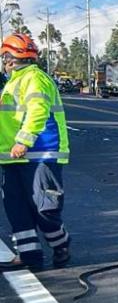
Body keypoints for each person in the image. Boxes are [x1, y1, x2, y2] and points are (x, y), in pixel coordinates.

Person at [0, 34, 71, 270]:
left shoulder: (35, 79)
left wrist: (23, 141)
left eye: (4, 57)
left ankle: (61, 244)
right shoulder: (12, 82)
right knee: (17, 209)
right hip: (12, 158)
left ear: (10, 57)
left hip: (40, 153)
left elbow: (37, 112)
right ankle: (29, 257)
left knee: (45, 209)